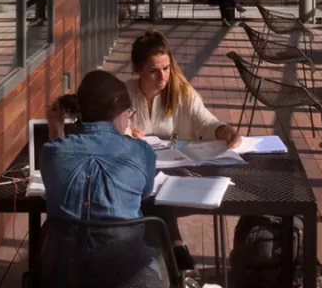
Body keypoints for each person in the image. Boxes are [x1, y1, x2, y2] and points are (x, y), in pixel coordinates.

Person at [42, 71, 155, 221]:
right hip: (125, 243)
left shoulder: (52, 151)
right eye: (129, 112)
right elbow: (144, 193)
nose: (129, 119)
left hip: (65, 244)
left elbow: (56, 174)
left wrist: (56, 129)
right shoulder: (141, 151)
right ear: (119, 111)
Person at [125, 29, 241, 147]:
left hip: (177, 161)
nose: (162, 77)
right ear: (137, 69)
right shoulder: (123, 94)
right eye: (153, 71)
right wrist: (125, 134)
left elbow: (207, 124)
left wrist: (226, 131)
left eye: (166, 68)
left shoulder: (183, 94)